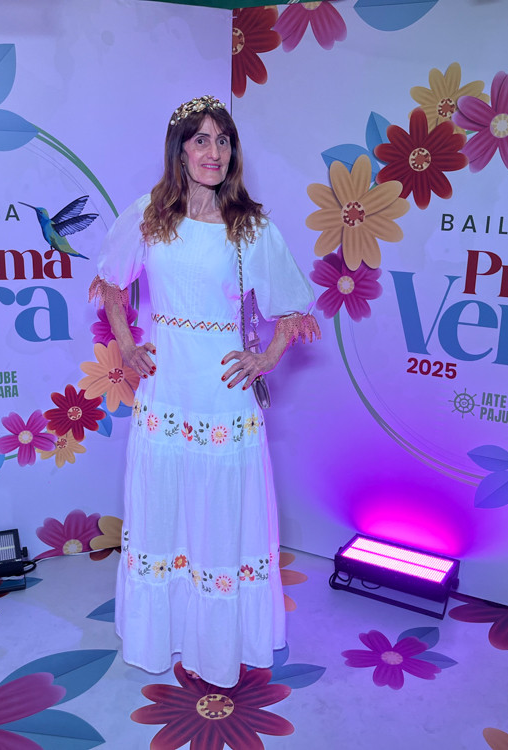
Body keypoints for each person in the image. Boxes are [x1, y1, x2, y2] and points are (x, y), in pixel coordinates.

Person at [89, 95, 320, 688]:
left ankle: (219, 645)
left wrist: (266, 358)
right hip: (166, 389)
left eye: (223, 140)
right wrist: (127, 346)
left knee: (221, 513)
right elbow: (111, 282)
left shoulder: (252, 226)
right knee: (164, 509)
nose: (213, 152)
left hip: (223, 393)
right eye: (201, 140)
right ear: (180, 150)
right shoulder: (149, 214)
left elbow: (293, 306)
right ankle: (161, 635)